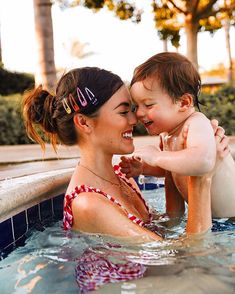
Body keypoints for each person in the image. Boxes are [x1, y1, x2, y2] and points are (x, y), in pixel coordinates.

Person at [22, 67, 228, 243]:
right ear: (84, 123)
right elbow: (188, 258)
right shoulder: (89, 204)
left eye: (132, 109)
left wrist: (175, 161)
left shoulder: (122, 179)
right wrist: (202, 177)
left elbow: (169, 225)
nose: (135, 119)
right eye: (123, 112)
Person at [120, 52, 235, 219]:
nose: (139, 113)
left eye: (148, 104)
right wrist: (145, 168)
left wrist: (158, 156)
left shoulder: (196, 123)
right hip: (214, 221)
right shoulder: (168, 135)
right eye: (136, 106)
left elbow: (203, 161)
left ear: (183, 103)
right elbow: (176, 166)